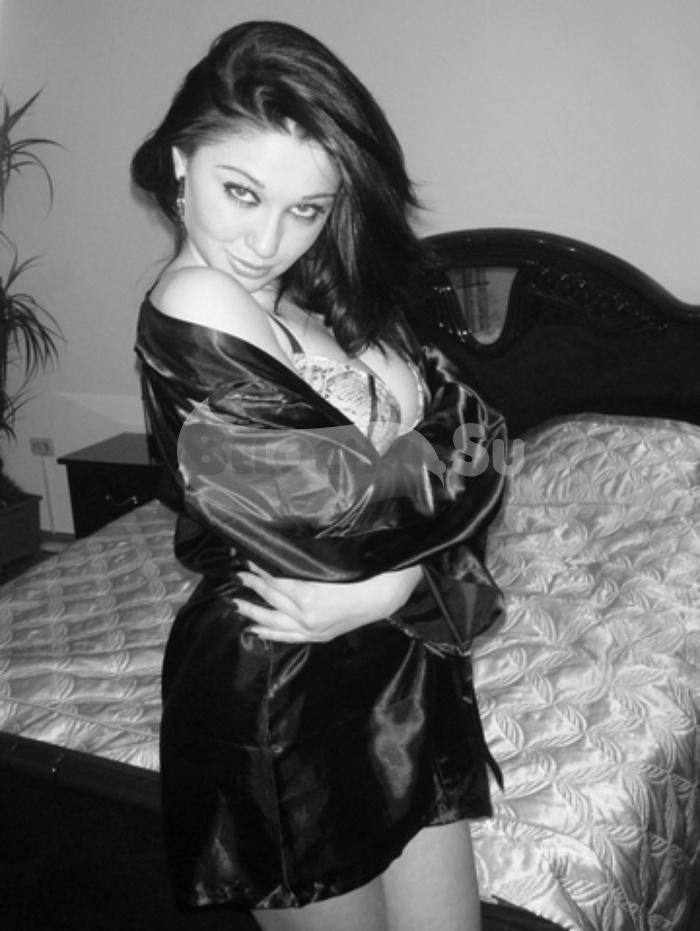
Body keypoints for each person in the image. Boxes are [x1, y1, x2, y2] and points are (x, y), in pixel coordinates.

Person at [132, 20, 506, 931]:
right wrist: (414, 558)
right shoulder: (195, 302)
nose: (267, 239)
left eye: (306, 209)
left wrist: (396, 583)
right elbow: (349, 512)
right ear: (181, 162)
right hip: (286, 688)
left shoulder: (313, 301)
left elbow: (484, 434)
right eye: (240, 191)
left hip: (396, 667)